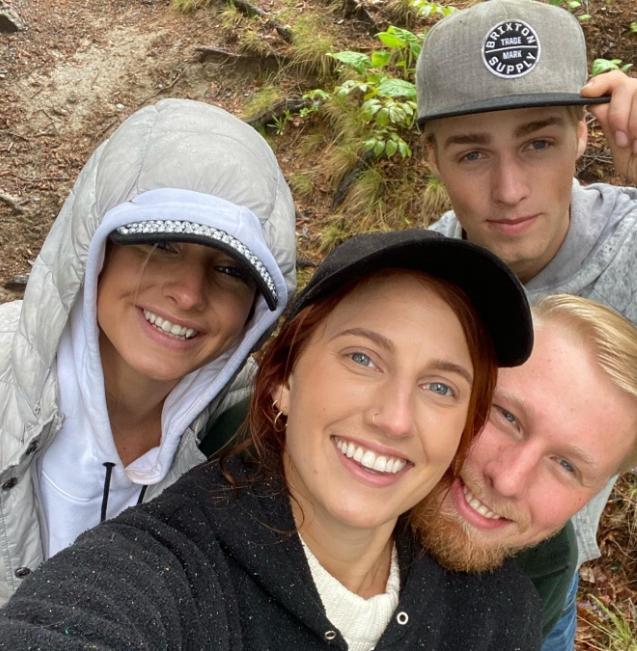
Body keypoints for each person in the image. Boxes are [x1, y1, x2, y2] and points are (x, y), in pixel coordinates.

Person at [0, 229, 541, 650]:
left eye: (440, 386)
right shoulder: (162, 574)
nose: (395, 419)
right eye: (362, 358)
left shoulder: (495, 611)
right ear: (283, 380)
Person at [0, 98, 296, 605]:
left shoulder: (260, 431)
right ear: (93, 249)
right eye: (161, 246)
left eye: (231, 271)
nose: (188, 293)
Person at [415, 0, 637, 646]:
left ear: (583, 135)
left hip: (545, 586)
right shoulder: (411, 282)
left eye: (537, 143)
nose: (509, 189)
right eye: (472, 154)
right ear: (431, 156)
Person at [415, 293, 637, 640]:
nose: (507, 480)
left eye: (566, 465)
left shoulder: (546, 567)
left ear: (596, 493)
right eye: (507, 416)